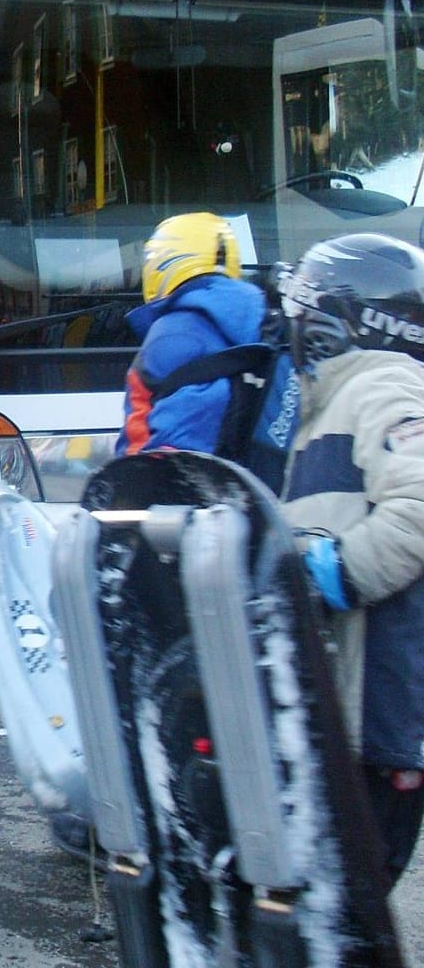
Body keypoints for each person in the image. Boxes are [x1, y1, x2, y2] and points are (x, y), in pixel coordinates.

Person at [276, 231, 424, 892]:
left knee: (350, 896)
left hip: (378, 707)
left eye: (305, 312)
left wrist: (332, 573)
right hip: (342, 699)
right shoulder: (325, 404)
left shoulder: (386, 385)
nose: (295, 327)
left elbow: (418, 503)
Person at [116, 212, 299, 489]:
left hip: (199, 510)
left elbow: (169, 447)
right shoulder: (269, 318)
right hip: (266, 500)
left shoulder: (172, 335)